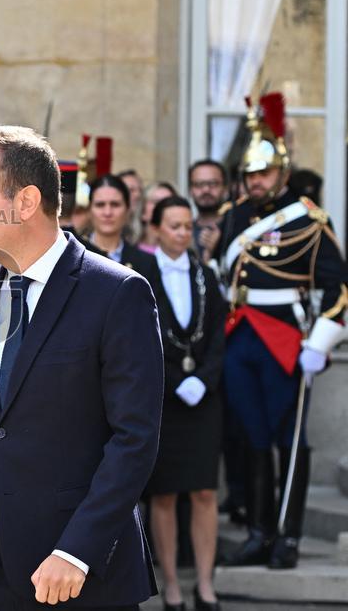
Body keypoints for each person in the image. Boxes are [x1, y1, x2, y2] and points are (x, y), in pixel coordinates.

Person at [0, 125, 162, 610]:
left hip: (77, 574)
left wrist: (77, 551)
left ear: (26, 202)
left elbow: (134, 440)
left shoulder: (118, 293)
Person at [216, 93, 348, 570]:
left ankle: (287, 537)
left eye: (263, 174)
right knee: (250, 436)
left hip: (286, 340)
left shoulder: (309, 221)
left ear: (283, 173)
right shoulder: (233, 217)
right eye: (249, 175)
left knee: (289, 438)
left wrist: (319, 343)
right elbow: (220, 278)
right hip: (239, 337)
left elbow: (339, 288)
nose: (255, 182)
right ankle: (258, 530)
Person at [145, 196, 225, 611]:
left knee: (205, 492)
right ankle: (172, 584)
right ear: (156, 228)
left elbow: (217, 334)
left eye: (187, 226)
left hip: (203, 399)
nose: (182, 233)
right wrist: (176, 380)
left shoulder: (205, 275)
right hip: (164, 398)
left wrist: (203, 380)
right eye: (173, 225)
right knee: (164, 494)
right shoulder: (139, 275)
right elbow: (140, 339)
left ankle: (206, 584)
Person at [87, 174, 157, 278]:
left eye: (115, 204)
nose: (107, 212)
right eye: (100, 205)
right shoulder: (73, 255)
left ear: (127, 209)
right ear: (89, 209)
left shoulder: (146, 262)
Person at [187, 160, 227, 265]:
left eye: (213, 183)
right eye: (199, 184)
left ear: (225, 188)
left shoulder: (235, 228)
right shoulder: (183, 231)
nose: (206, 190)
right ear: (190, 190)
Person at [139, 182, 178, 254]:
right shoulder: (128, 251)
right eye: (156, 202)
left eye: (168, 203)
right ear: (143, 211)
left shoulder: (185, 255)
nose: (162, 207)